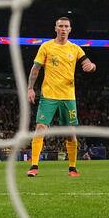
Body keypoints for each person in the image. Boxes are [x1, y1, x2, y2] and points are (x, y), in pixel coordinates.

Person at [26, 17, 97, 177]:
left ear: (70, 29)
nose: (63, 29)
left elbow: (90, 64)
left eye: (66, 26)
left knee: (70, 132)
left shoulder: (76, 49)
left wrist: (91, 67)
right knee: (40, 128)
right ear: (55, 29)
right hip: (49, 96)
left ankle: (72, 168)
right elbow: (35, 69)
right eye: (61, 26)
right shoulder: (46, 47)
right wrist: (30, 88)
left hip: (68, 97)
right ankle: (34, 166)